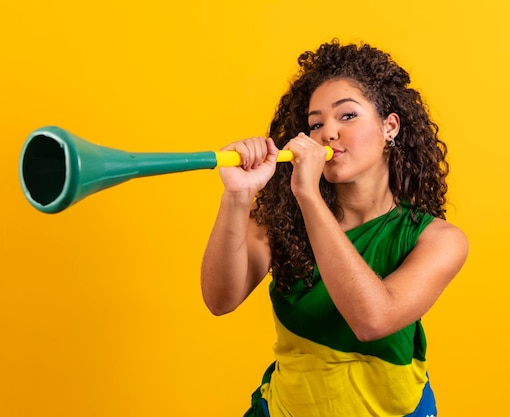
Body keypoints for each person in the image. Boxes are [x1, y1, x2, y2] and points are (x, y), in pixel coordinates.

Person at [200, 39, 468, 417]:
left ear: (389, 126)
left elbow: (372, 319)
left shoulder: (439, 239)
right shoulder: (282, 221)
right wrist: (237, 197)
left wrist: (307, 194)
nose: (328, 132)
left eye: (347, 116)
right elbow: (219, 300)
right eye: (316, 123)